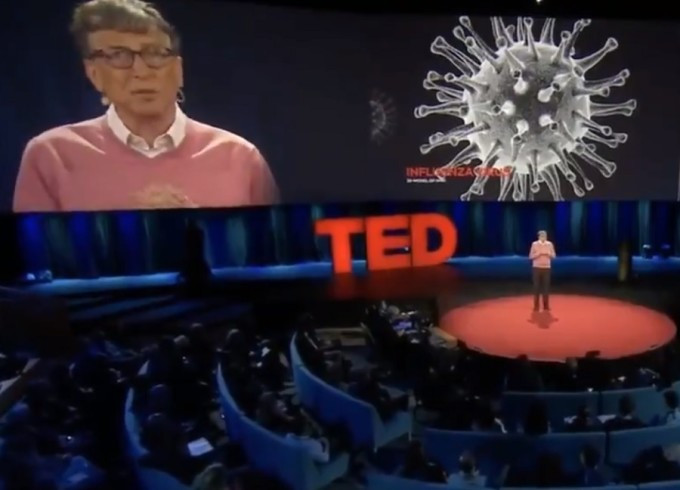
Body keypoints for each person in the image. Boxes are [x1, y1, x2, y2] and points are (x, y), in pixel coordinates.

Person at [13, 0, 278, 212]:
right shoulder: (51, 155)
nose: (141, 71)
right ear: (93, 73)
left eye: (155, 54)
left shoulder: (240, 157)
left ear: (178, 70)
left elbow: (274, 256)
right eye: (118, 56)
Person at [529, 230, 555, 311]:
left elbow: (554, 256)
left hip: (546, 268)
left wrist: (548, 254)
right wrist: (538, 254)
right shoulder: (534, 244)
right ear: (539, 237)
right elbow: (530, 256)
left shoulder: (549, 244)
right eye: (542, 236)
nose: (543, 237)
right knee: (536, 287)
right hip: (536, 268)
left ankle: (546, 306)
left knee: (546, 287)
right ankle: (536, 306)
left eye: (545, 236)